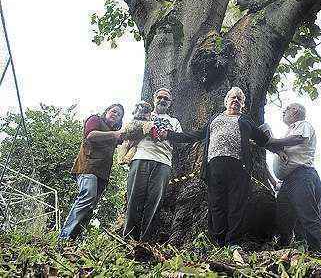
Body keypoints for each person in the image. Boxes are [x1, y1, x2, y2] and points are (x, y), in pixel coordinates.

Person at [165, 87, 273, 248]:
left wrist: (271, 138)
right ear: (226, 100)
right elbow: (196, 135)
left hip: (239, 165)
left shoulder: (245, 120)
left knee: (236, 203)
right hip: (215, 166)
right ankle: (219, 241)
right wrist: (170, 135)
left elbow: (262, 139)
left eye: (239, 99)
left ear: (243, 104)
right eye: (232, 97)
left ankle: (233, 241)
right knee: (216, 203)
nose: (235, 100)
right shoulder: (214, 118)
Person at [123, 88, 182, 242]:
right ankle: (128, 240)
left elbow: (180, 139)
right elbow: (128, 132)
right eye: (160, 97)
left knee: (155, 202)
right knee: (134, 198)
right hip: (140, 157)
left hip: (164, 161)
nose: (162, 100)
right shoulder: (143, 114)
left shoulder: (174, 121)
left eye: (166, 99)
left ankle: (146, 242)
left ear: (170, 103)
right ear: (154, 99)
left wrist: (168, 134)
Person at [59, 103, 125, 239]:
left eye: (119, 115)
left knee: (90, 206)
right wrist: (114, 134)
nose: (115, 115)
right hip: (88, 167)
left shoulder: (114, 135)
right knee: (87, 197)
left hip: (102, 174)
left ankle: (74, 240)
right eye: (113, 111)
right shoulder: (96, 120)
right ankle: (64, 237)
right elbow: (91, 135)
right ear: (106, 111)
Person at [271, 103, 321, 253]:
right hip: (287, 181)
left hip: (302, 175)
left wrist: (272, 142)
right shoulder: (290, 129)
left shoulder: (302, 124)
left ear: (295, 110)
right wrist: (275, 148)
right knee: (283, 216)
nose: (283, 112)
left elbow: (298, 138)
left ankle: (317, 252)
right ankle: (283, 248)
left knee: (308, 215)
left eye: (286, 109)